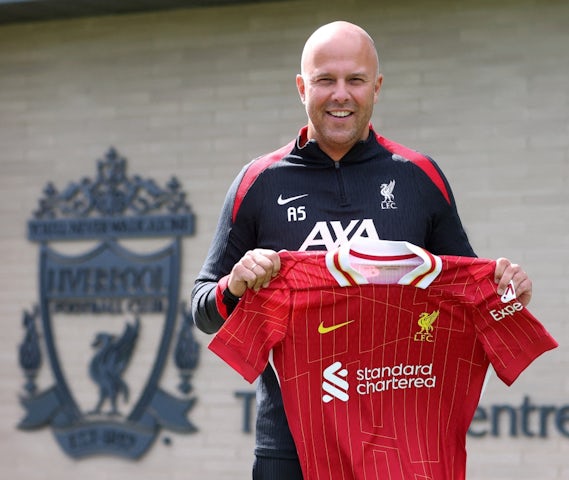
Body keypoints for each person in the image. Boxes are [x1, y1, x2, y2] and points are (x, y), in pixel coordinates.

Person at [192, 20, 533, 480]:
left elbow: (468, 292)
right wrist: (234, 286)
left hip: (397, 443)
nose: (341, 94)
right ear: (301, 87)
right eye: (324, 80)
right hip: (290, 448)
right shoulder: (259, 182)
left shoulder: (418, 176)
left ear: (376, 86)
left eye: (354, 80)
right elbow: (203, 310)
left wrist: (508, 292)